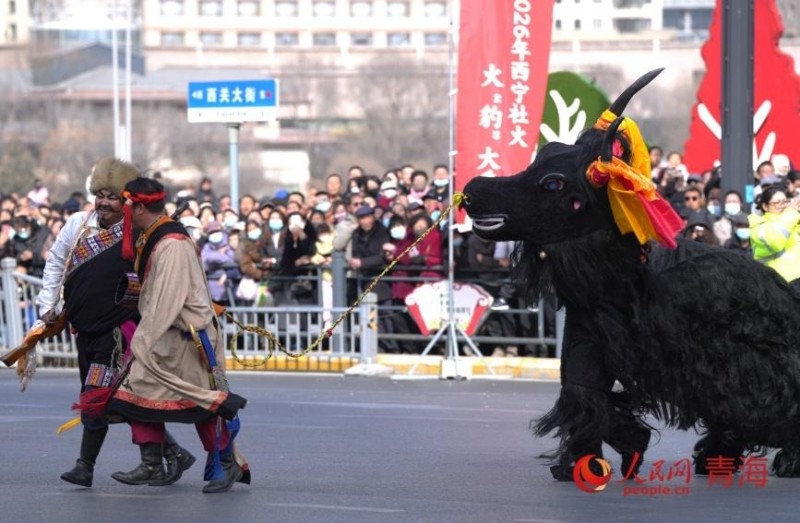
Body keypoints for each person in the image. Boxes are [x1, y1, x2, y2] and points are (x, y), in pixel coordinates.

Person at [36, 157, 193, 488]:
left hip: (119, 331)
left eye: (114, 197)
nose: (105, 203)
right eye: (101, 195)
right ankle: (173, 453)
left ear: (127, 201)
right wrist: (47, 304)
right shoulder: (78, 224)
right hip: (84, 326)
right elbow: (55, 265)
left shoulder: (138, 231)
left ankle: (85, 467)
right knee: (114, 399)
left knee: (96, 394)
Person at [105, 177, 249, 493]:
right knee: (134, 393)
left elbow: (165, 299)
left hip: (188, 338)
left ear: (140, 207)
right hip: (165, 336)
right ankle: (154, 463)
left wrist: (142, 339)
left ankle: (227, 464)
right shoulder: (157, 237)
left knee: (201, 405)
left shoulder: (171, 243)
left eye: (129, 206)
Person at [749, 185, 800, 290]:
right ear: (765, 206)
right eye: (777, 203)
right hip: (776, 288)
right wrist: (791, 215)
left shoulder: (793, 221)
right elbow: (774, 241)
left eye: (785, 202)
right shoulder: (759, 226)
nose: (783, 206)